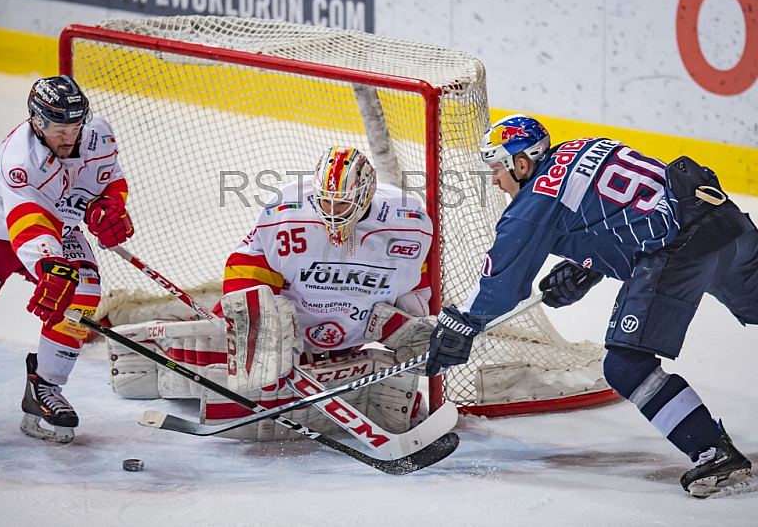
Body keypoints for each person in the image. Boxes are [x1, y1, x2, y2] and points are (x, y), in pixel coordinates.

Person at [426, 114, 755, 497]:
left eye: (497, 167)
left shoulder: (532, 204)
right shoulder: (581, 145)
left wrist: (464, 322)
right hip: (725, 220)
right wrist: (590, 264)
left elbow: (502, 285)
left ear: (521, 163)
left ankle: (714, 453)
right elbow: (624, 206)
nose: (495, 180)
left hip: (682, 251)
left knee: (625, 366)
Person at [105, 146, 434, 440]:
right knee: (231, 362)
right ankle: (157, 350)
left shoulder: (408, 221)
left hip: (353, 332)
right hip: (287, 329)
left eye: (342, 204)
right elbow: (245, 264)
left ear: (366, 196)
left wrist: (415, 331)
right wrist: (254, 326)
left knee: (386, 359)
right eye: (325, 201)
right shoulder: (287, 213)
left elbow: (415, 288)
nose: (331, 211)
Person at [0, 75, 134, 443]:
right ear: (37, 122)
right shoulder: (19, 158)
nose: (69, 137)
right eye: (59, 128)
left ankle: (46, 387)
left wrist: (109, 208)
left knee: (82, 294)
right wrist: (49, 265)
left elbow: (110, 180)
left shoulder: (98, 134)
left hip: (59, 230)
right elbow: (28, 221)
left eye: (75, 126)